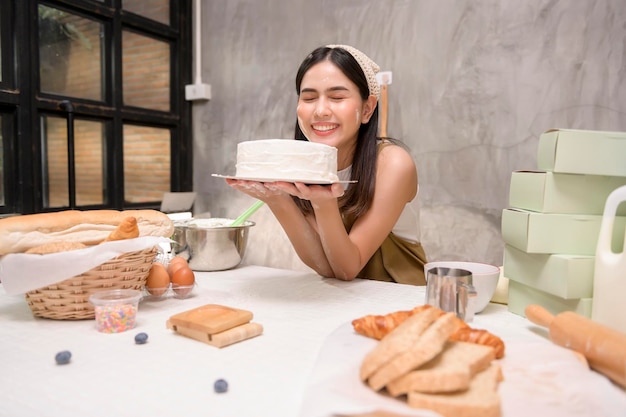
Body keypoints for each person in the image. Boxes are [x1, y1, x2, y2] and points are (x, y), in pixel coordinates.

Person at [226, 44, 428, 285]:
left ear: (367, 109)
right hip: (345, 300)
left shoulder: (394, 164)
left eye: (337, 97)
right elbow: (325, 265)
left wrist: (323, 202)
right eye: (309, 98)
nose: (320, 110)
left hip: (402, 301)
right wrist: (277, 198)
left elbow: (347, 269)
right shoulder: (301, 166)